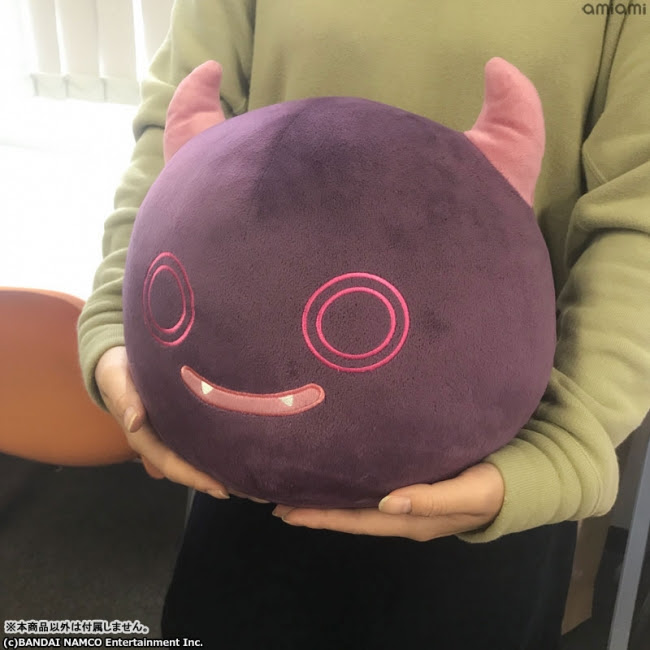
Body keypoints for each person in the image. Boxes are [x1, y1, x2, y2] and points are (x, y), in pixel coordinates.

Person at [78, 1, 650, 648]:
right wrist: (118, 320)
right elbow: (179, 126)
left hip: (489, 462)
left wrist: (567, 438)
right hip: (239, 444)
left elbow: (638, 208)